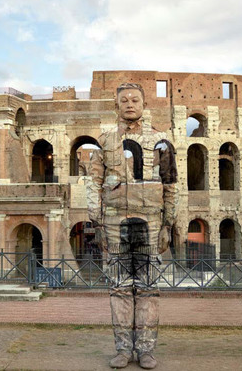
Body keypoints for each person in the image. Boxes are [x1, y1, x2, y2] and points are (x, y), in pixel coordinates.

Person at [87, 82, 177, 369]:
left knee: (148, 287)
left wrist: (168, 225)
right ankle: (124, 349)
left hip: (150, 221)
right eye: (123, 100)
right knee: (119, 287)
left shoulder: (162, 140)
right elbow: (94, 183)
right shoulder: (105, 141)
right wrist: (96, 222)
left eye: (135, 100)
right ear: (116, 106)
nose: (129, 104)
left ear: (143, 105)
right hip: (115, 222)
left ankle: (147, 350)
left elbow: (171, 184)